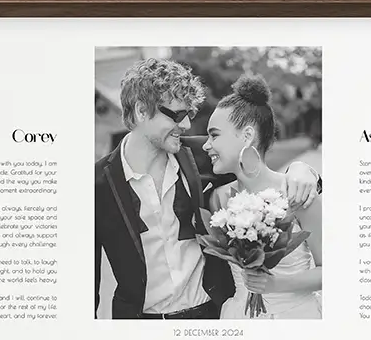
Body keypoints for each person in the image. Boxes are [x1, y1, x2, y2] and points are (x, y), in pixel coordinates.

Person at [94, 58, 320, 319]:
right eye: (178, 115)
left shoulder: (202, 156)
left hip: (209, 318)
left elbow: (259, 172)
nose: (188, 125)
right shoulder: (96, 184)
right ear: (142, 111)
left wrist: (304, 169)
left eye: (189, 115)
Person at [204, 75, 322, 320]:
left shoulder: (297, 193)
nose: (206, 145)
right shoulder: (217, 198)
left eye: (214, 135)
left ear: (247, 136)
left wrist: (274, 285)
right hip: (239, 316)